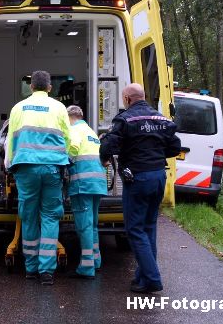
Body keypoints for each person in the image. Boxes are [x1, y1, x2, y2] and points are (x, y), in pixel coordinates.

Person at [99, 83, 180, 293]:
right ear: (142, 97)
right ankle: (143, 278)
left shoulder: (125, 119)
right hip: (158, 176)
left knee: (134, 229)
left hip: (138, 179)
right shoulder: (162, 119)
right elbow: (175, 147)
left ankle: (152, 278)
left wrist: (106, 158)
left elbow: (108, 146)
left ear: (127, 99)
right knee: (149, 227)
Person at [5, 70, 71, 285]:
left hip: (25, 168)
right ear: (50, 87)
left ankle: (31, 268)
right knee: (51, 216)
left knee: (29, 215)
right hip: (53, 168)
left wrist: (9, 165)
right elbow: (67, 139)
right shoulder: (59, 107)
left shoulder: (18, 108)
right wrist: (65, 161)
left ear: (31, 87)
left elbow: (10, 142)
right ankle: (46, 272)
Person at [66, 105, 107, 279]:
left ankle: (86, 267)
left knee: (84, 226)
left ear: (69, 118)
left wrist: (63, 160)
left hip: (83, 183)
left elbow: (73, 148)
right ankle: (96, 261)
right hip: (97, 183)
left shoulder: (74, 130)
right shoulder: (90, 131)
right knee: (93, 224)